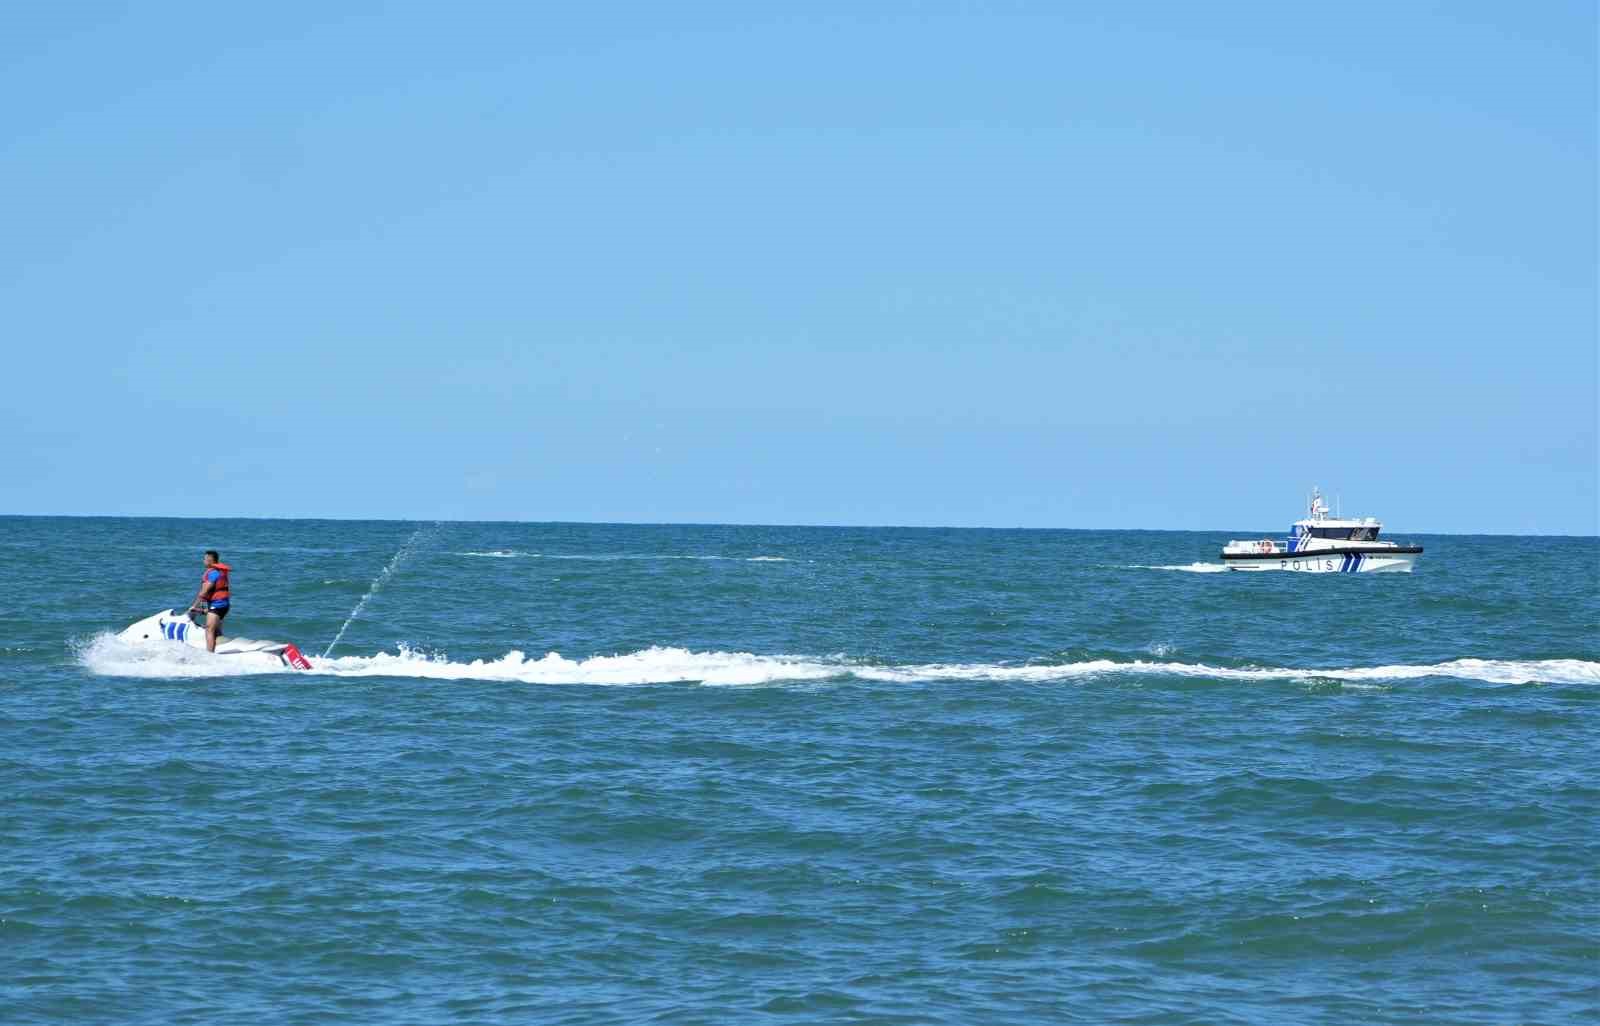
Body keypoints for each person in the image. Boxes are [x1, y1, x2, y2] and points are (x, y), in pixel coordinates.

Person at [188, 550, 232, 652]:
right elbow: (207, 596)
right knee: (215, 630)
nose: (203, 561)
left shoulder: (213, 573)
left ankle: (210, 655)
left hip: (217, 605)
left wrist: (193, 606)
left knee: (209, 630)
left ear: (209, 560)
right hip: (223, 605)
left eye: (204, 559)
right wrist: (203, 610)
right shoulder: (219, 572)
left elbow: (203, 593)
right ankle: (223, 649)